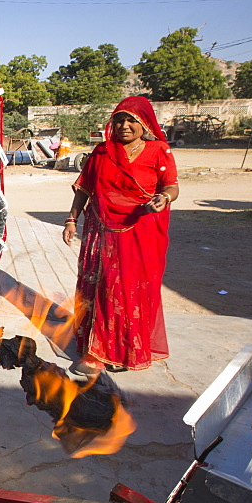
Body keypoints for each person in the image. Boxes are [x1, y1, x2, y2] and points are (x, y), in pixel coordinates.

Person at [61, 96, 179, 373]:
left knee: (130, 289)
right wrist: (71, 220)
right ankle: (97, 352)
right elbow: (85, 190)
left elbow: (172, 185)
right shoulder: (102, 152)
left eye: (132, 120)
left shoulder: (159, 151)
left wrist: (164, 198)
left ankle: (127, 349)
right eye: (119, 120)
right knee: (102, 287)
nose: (125, 126)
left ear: (145, 123)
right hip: (102, 231)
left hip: (140, 232)